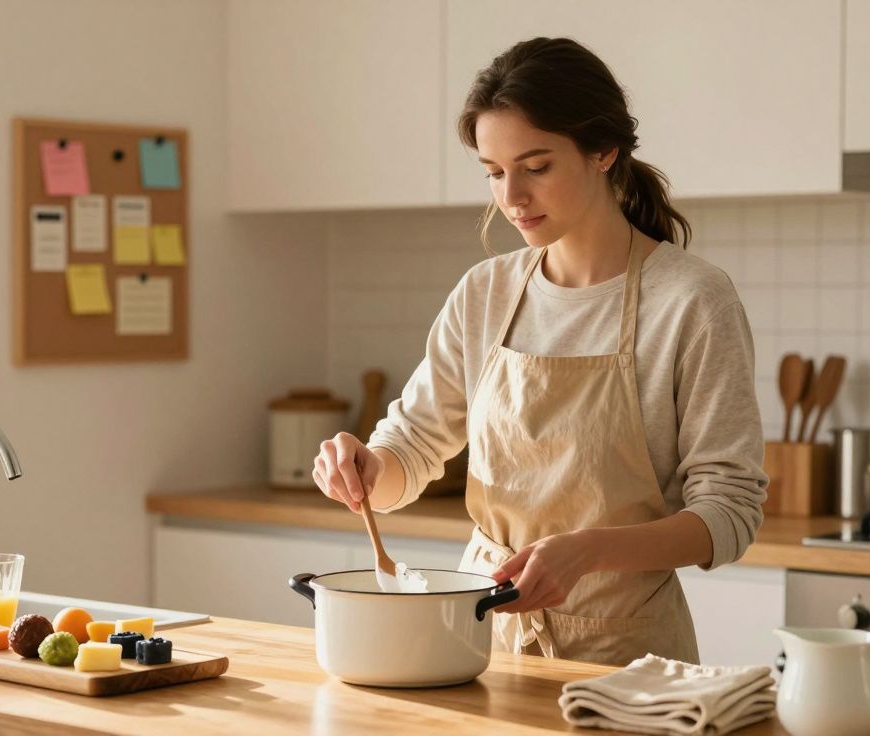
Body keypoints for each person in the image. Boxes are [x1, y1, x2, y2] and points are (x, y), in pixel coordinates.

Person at [311, 37, 767, 666]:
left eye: (536, 166)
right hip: (478, 642)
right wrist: (365, 468)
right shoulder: (485, 293)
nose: (512, 197)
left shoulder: (692, 300)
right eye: (495, 172)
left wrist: (587, 551)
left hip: (628, 659)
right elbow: (410, 452)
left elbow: (729, 513)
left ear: (603, 151)